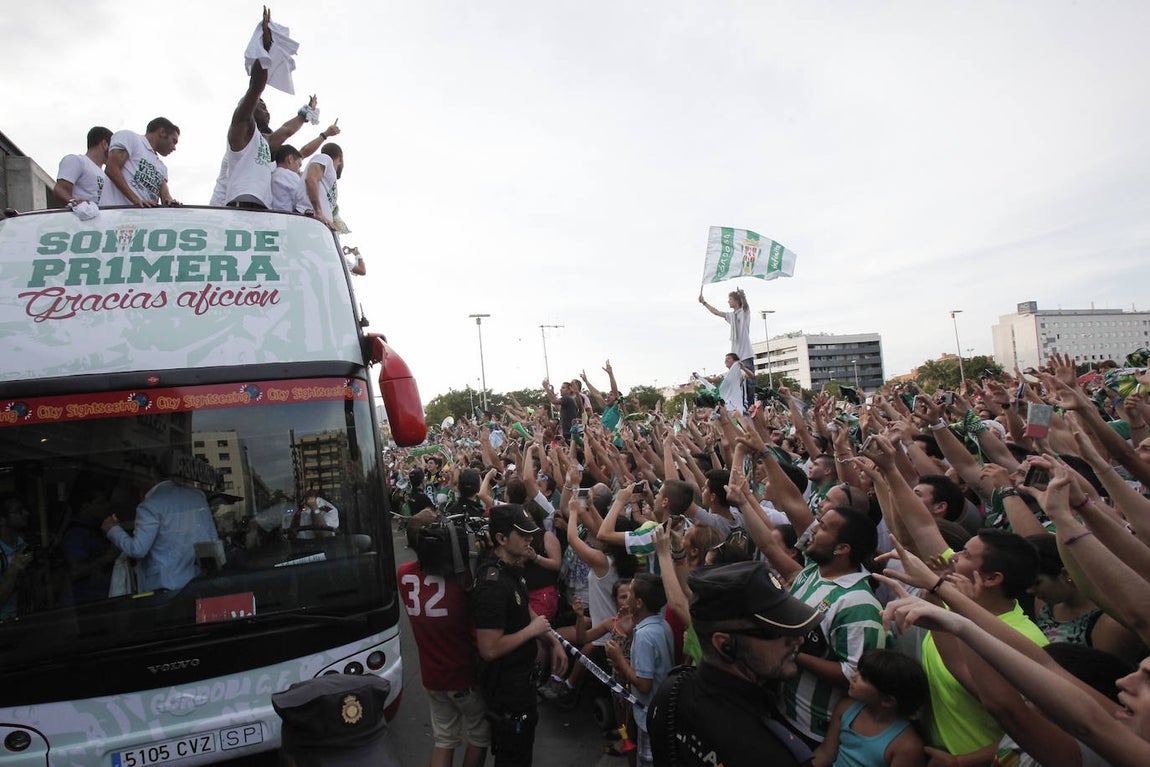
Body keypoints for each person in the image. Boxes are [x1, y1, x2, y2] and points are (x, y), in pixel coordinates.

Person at [647, 560, 823, 767]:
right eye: (775, 632)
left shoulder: (671, 693)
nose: (797, 640)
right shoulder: (774, 754)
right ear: (725, 644)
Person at [779, 506, 886, 745]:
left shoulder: (858, 604)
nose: (814, 529)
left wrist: (792, 652)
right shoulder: (812, 571)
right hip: (781, 705)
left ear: (842, 548)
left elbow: (854, 675)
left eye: (824, 527)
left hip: (811, 730)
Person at [473, 504, 567, 767]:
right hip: (507, 690)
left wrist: (552, 640)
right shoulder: (492, 585)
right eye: (523, 535)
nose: (530, 540)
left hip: (522, 686)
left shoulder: (512, 569)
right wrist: (531, 632)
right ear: (501, 539)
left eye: (530, 534)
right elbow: (489, 648)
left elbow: (525, 608)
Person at [399, 511, 489, 767]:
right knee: (479, 735)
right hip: (463, 675)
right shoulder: (461, 578)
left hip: (432, 676)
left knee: (444, 739)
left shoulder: (404, 574)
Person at [101, 477, 220, 593]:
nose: (134, 483)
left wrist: (113, 529)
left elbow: (137, 550)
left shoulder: (150, 505)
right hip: (198, 582)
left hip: (165, 588)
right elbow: (212, 539)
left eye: (136, 479)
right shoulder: (197, 496)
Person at [812, 649, 928, 767]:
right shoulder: (847, 708)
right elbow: (825, 754)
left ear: (887, 700)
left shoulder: (907, 746)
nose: (853, 676)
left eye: (863, 677)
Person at [605, 572, 673, 767]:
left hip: (648, 716)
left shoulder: (644, 635)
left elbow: (643, 685)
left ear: (639, 603)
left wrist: (619, 659)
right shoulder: (662, 625)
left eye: (630, 595)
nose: (627, 599)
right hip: (661, 711)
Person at [102, 117, 180, 207]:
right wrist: (136, 200)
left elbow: (165, 195)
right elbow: (111, 168)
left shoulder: (162, 167)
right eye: (174, 141)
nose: (174, 148)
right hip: (117, 212)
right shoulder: (131, 138)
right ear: (162, 132)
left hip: (142, 215)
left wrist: (170, 202)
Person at [699, 287, 754, 409]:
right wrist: (704, 302)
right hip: (736, 356)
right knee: (735, 383)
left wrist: (743, 296)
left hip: (746, 354)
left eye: (730, 299)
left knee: (749, 383)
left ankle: (751, 407)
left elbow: (745, 305)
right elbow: (716, 312)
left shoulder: (744, 313)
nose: (728, 301)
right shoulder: (731, 316)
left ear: (736, 300)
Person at [53, 126, 112, 206]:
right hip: (81, 214)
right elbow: (60, 189)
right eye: (113, 148)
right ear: (104, 144)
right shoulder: (77, 161)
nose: (115, 153)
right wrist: (76, 204)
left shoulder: (105, 175)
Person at [0, 497, 33, 620]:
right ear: (1, 520)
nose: (26, 513)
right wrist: (13, 569)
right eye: (19, 511)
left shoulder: (24, 545)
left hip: (26, 617)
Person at [305, 143, 344, 230]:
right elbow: (311, 179)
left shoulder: (329, 178)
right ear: (340, 157)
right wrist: (318, 211)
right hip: (310, 220)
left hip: (319, 226)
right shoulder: (325, 158)